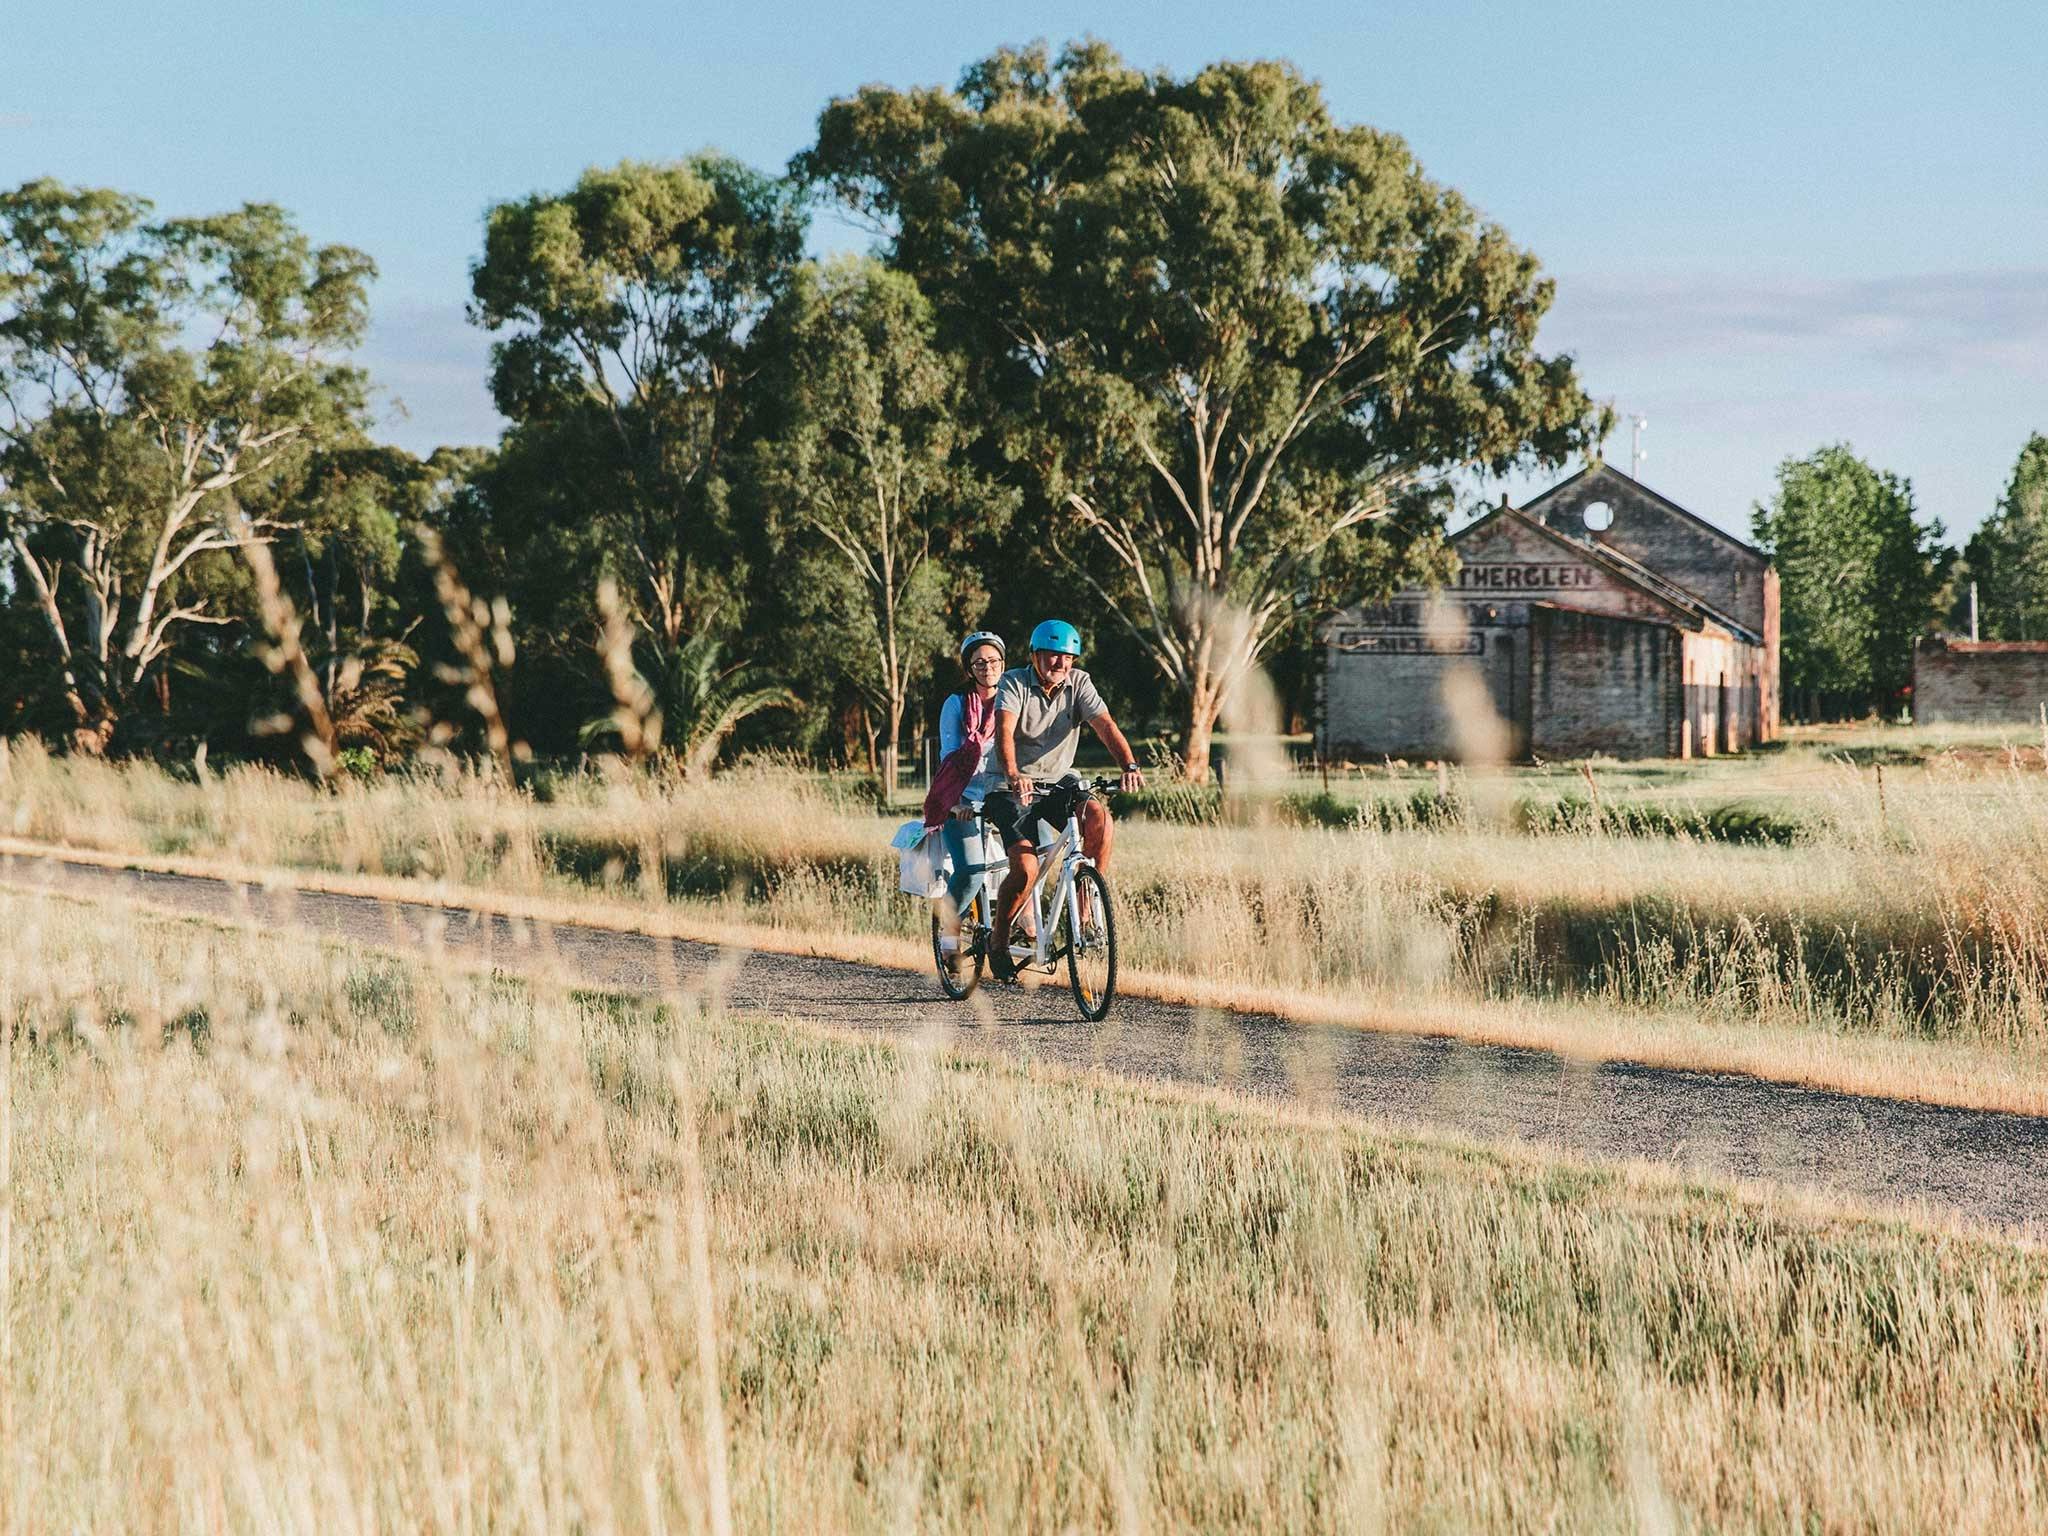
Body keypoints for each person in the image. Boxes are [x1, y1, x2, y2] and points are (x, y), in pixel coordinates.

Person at [983, 619, 1144, 979]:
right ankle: (999, 938)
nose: (1060, 664)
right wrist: (1013, 775)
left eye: (1067, 657)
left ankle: (1085, 904)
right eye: (1053, 656)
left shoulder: (1079, 683)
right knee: (1025, 869)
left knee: (1099, 819)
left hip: (1057, 782)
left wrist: (1129, 764)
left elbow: (1105, 726)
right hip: (1009, 786)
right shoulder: (1014, 682)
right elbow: (1005, 732)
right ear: (1034, 656)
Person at [922, 630, 1007, 927]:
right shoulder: (957, 704)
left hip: (1002, 793)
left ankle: (1022, 926)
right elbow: (951, 759)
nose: (988, 668)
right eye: (980, 663)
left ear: (1004, 663)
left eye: (994, 661)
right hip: (963, 797)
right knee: (971, 870)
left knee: (1031, 862)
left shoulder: (1013, 700)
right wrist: (956, 805)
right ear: (969, 668)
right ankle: (948, 930)